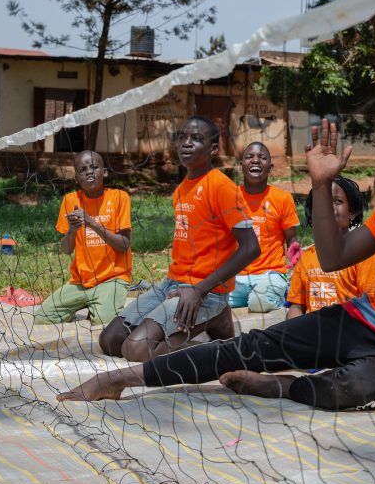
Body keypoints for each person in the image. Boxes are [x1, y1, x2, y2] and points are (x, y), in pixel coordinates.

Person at [57, 120, 375, 411]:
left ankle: (279, 387)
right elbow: (332, 258)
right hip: (363, 318)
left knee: (346, 389)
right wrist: (321, 182)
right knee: (253, 344)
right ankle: (120, 378)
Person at [96, 116, 260, 362]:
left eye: (197, 139)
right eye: (182, 137)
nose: (186, 143)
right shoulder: (181, 189)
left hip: (206, 291)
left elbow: (251, 248)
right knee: (109, 341)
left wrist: (199, 290)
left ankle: (215, 318)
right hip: (171, 285)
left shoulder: (221, 187)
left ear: (213, 149)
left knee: (136, 350)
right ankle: (204, 320)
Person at [33, 150, 132, 325]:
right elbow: (66, 250)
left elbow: (124, 245)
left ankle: (101, 305)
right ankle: (88, 303)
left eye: (94, 167)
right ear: (77, 178)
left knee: (104, 322)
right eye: (82, 169)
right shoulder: (70, 200)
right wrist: (72, 230)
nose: (89, 172)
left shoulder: (119, 197)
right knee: (42, 318)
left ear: (105, 171)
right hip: (81, 281)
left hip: (112, 279)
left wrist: (91, 222)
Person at [286, 175, 375, 319]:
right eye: (323, 202)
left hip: (349, 330)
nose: (329, 207)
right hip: (312, 332)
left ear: (352, 212)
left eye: (337, 201)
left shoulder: (365, 254)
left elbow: (372, 307)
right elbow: (297, 306)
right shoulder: (307, 257)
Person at [229, 142, 300, 313]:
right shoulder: (229, 197)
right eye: (249, 157)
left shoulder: (282, 198)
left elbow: (292, 240)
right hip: (235, 277)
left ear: (270, 167)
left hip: (270, 275)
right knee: (212, 303)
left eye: (262, 158)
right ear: (240, 166)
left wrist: (297, 271)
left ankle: (282, 291)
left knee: (258, 301)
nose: (255, 161)